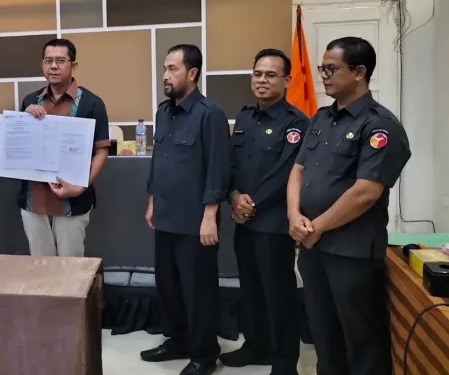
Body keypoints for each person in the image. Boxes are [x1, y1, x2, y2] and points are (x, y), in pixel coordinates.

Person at [287, 37, 410, 375]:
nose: (324, 76)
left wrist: (316, 227)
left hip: (351, 252)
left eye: (332, 69)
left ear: (359, 72)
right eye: (322, 68)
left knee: (360, 338)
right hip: (312, 247)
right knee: (323, 332)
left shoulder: (380, 125)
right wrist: (293, 215)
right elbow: (298, 170)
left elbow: (365, 193)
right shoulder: (321, 118)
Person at [141, 44, 230, 375]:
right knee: (169, 287)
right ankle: (177, 340)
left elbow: (218, 168)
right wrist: (152, 200)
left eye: (173, 69)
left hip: (195, 221)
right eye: (164, 68)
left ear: (192, 73)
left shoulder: (210, 114)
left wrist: (209, 216)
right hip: (166, 215)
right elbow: (159, 160)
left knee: (198, 291)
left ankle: (205, 355)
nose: (165, 75)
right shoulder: (163, 112)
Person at [220, 49, 308, 375]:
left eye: (271, 75)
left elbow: (287, 173)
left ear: (286, 80)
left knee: (279, 293)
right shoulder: (244, 118)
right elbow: (232, 165)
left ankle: (285, 362)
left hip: (273, 225)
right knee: (251, 290)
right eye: (257, 74)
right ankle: (256, 346)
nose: (262, 80)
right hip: (243, 222)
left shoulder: (297, 122)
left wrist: (250, 203)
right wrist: (233, 196)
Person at [18, 38, 110, 257]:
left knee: (71, 266)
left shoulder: (91, 103)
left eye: (60, 60)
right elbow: (21, 146)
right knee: (41, 265)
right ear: (42, 65)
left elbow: (101, 151)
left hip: (72, 200)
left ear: (73, 65)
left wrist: (81, 186)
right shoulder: (30, 100)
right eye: (48, 61)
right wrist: (24, 118)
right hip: (34, 199)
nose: (53, 66)